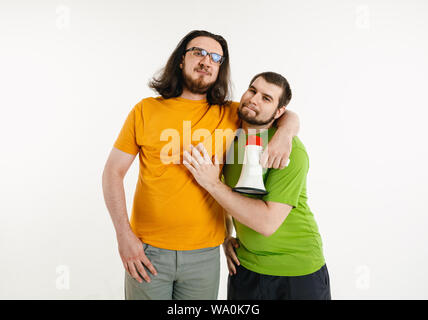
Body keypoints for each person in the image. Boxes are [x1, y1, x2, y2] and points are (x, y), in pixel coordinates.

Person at [102, 30, 300, 300]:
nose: (207, 61)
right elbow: (113, 172)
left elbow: (283, 112)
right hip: (146, 251)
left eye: (215, 57)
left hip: (205, 255)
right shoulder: (145, 110)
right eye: (199, 52)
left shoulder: (232, 113)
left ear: (220, 68)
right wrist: (123, 237)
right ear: (181, 60)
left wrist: (286, 134)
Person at [183, 71, 331, 300]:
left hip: (297, 273)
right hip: (246, 266)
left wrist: (212, 184)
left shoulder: (289, 152)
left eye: (266, 98)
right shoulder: (229, 134)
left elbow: (267, 223)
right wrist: (225, 235)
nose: (254, 99)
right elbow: (227, 197)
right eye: (253, 90)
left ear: (279, 112)